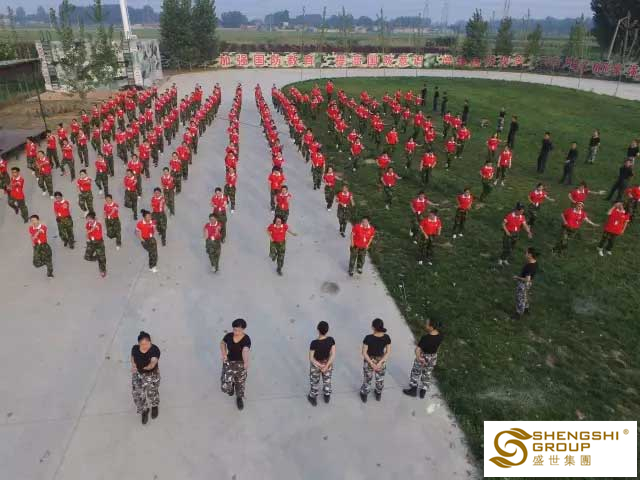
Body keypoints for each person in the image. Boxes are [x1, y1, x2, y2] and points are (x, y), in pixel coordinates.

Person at [402, 318, 443, 398]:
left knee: (415, 372)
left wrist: (419, 358)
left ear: (431, 327)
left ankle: (413, 390)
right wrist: (435, 354)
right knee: (427, 373)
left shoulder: (426, 338)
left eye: (427, 324)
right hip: (433, 357)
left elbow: (417, 350)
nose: (425, 325)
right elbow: (438, 346)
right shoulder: (441, 335)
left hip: (423, 357)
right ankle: (423, 391)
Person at [220, 319, 251, 411]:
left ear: (243, 329)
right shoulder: (229, 336)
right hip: (229, 362)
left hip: (240, 363)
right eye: (234, 329)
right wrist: (224, 354)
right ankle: (230, 388)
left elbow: (245, 350)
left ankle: (239, 398)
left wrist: (246, 362)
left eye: (238, 330)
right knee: (226, 386)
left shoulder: (246, 339)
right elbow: (222, 343)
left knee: (240, 383)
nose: (236, 332)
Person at [130, 331, 161, 425]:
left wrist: (150, 366)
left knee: (152, 392)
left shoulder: (154, 350)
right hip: (138, 374)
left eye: (147, 343)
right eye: (142, 344)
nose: (145, 346)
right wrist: (134, 365)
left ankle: (154, 406)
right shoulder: (135, 349)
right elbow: (132, 357)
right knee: (138, 394)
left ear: (150, 342)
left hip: (151, 375)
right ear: (139, 343)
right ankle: (144, 410)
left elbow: (154, 361)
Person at [360, 318, 391, 403]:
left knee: (367, 379)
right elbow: (388, 352)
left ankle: (364, 394)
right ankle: (378, 394)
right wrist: (380, 362)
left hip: (369, 360)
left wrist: (371, 363)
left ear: (373, 327)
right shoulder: (386, 337)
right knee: (380, 379)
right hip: (381, 360)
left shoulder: (368, 338)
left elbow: (364, 352)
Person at [307, 321, 336, 406]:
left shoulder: (314, 343)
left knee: (314, 382)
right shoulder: (331, 340)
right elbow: (333, 354)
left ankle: (312, 397)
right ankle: (327, 396)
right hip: (327, 363)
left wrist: (320, 366)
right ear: (327, 330)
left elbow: (311, 358)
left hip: (316, 365)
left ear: (318, 330)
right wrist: (326, 366)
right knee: (327, 381)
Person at [514, 247, 538, 318]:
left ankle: (518, 313)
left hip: (523, 284)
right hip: (529, 283)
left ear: (530, 255)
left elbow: (527, 279)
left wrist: (517, 277)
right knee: (526, 296)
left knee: (520, 298)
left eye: (526, 253)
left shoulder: (529, 266)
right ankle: (526, 309)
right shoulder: (535, 263)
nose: (525, 254)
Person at [84, 212, 107, 277]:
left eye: (90, 219)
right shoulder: (88, 224)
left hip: (99, 243)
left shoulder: (98, 225)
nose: (89, 220)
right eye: (87, 219)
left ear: (93, 219)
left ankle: (103, 270)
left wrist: (91, 229)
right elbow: (87, 232)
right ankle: (97, 257)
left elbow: (93, 230)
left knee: (102, 259)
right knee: (87, 257)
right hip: (91, 242)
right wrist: (87, 239)